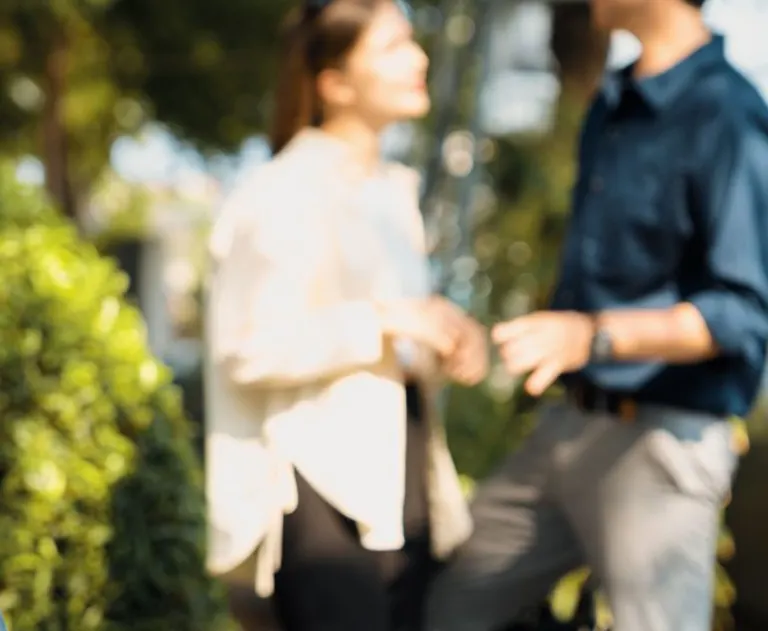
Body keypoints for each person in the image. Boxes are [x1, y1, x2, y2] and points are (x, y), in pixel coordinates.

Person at [426, 0, 768, 630]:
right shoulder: (611, 103)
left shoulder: (727, 113)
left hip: (661, 439)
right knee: (449, 609)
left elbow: (741, 314)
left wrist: (594, 337)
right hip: (570, 423)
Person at [204, 1, 488, 630]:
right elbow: (246, 345)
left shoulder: (393, 193)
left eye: (412, 42)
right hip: (320, 492)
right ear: (333, 83)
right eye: (392, 47)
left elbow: (390, 342)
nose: (418, 60)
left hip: (402, 477)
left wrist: (447, 341)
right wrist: (387, 319)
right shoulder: (282, 190)